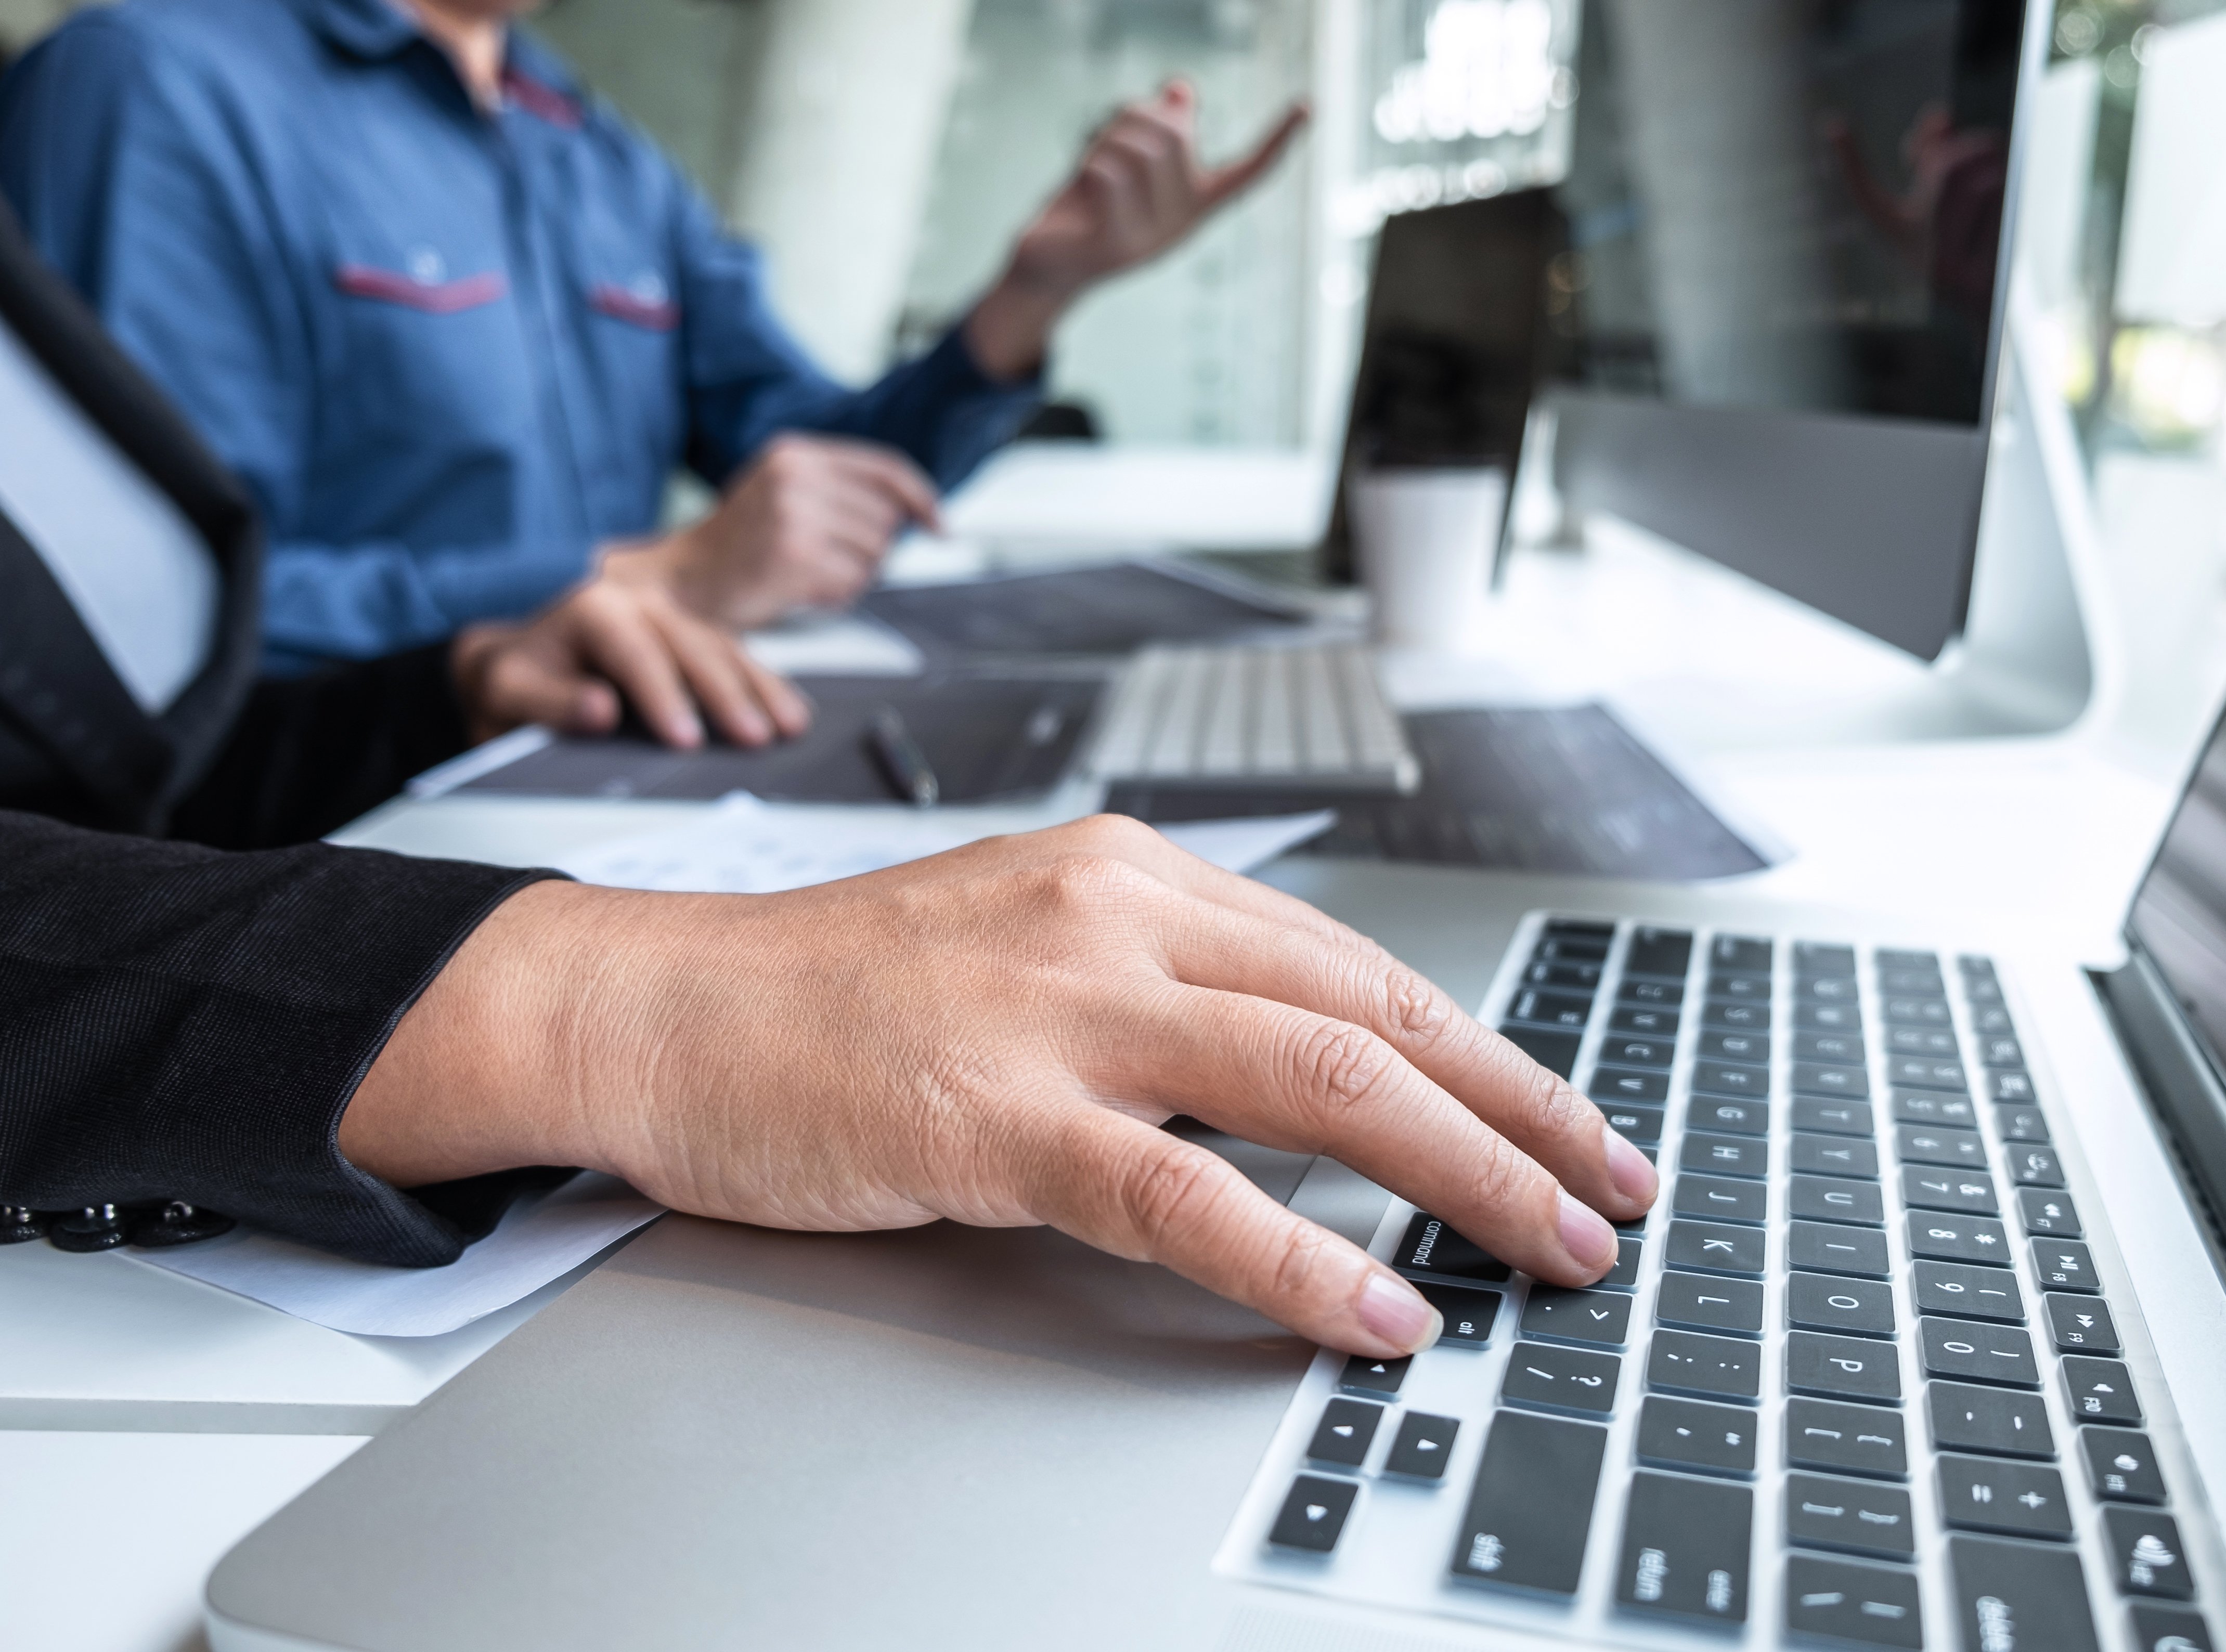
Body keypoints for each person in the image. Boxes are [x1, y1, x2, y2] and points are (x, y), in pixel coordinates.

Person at [0, 204, 1659, 1359]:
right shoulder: (156, 79)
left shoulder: (587, 141)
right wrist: (613, 1000)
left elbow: (137, 705)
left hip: (420, 785)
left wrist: (455, 676)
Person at [0, 0, 1306, 682]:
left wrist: (1029, 298)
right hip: (329, 825)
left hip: (595, 764)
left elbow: (813, 472)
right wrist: (648, 578)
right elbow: (137, 628)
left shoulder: (595, 148)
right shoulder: (149, 83)